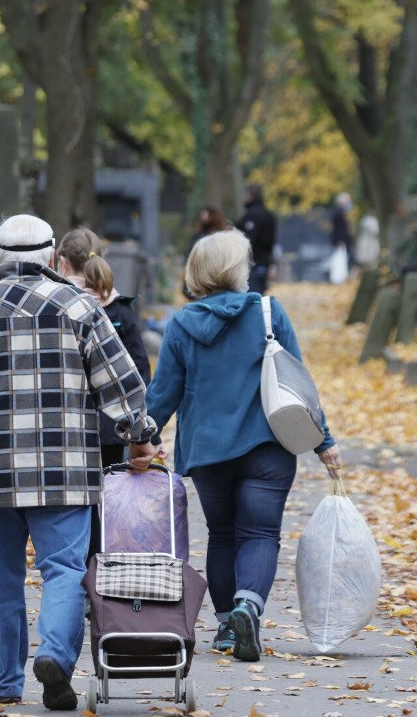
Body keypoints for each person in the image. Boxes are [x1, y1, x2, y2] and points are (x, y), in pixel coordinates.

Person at [0, 214, 158, 710]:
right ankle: (57, 655)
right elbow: (120, 384)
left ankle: (4, 682)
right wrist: (139, 438)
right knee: (64, 569)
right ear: (51, 259)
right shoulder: (80, 305)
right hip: (64, 471)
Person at [145, 229, 341, 663]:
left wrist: (143, 439)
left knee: (222, 535)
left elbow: (163, 394)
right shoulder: (269, 313)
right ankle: (248, 606)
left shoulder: (181, 324)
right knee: (260, 534)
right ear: (238, 269)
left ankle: (225, 629)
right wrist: (323, 442)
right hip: (267, 446)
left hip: (209, 452)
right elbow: (298, 384)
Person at [55, 227, 152, 470]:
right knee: (108, 493)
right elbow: (139, 369)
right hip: (111, 424)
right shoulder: (120, 310)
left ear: (62, 263)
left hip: (64, 423)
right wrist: (142, 428)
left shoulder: (56, 308)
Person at [238, 185, 277, 294]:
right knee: (258, 296)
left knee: (251, 296)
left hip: (251, 263)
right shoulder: (269, 215)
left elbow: (248, 239)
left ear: (250, 196)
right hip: (264, 262)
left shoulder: (251, 216)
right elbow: (271, 241)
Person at [184, 207, 230, 300]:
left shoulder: (223, 237)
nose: (204, 218)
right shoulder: (198, 237)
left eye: (207, 215)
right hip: (202, 280)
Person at [328, 192, 355, 284]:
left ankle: (339, 277)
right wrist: (341, 240)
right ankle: (338, 278)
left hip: (340, 240)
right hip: (340, 241)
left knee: (341, 259)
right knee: (339, 259)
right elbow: (339, 229)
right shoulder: (338, 213)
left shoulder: (339, 213)